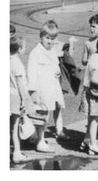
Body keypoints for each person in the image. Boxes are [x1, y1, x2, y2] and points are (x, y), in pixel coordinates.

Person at [25, 21, 64, 153]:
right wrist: (33, 91)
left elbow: (55, 65)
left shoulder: (52, 50)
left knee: (45, 115)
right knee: (41, 116)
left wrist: (57, 71)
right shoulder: (36, 53)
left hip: (51, 88)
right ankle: (40, 141)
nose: (50, 41)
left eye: (53, 39)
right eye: (47, 38)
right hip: (41, 89)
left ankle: (37, 137)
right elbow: (31, 73)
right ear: (41, 36)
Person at [11, 36, 31, 162]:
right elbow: (21, 84)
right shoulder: (17, 64)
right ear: (19, 49)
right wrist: (25, 100)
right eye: (24, 47)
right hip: (15, 97)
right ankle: (17, 153)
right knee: (15, 126)